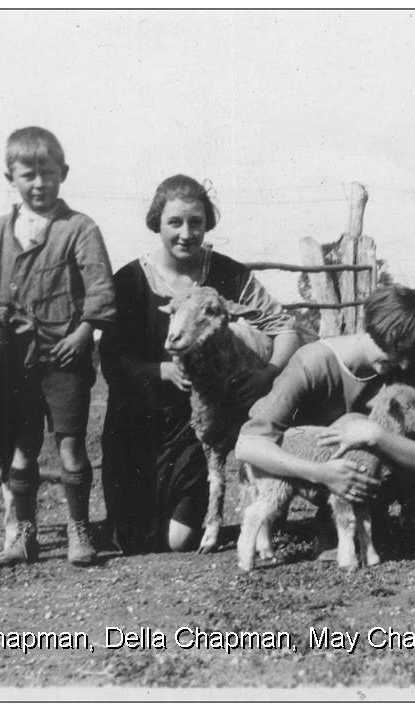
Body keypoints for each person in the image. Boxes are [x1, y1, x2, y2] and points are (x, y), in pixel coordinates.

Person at [98, 174, 301, 554]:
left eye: (196, 222)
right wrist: (159, 370)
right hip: (139, 420)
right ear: (156, 223)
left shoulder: (229, 275)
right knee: (134, 542)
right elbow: (111, 356)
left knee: (178, 541)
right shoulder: (129, 281)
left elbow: (285, 327)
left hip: (200, 421)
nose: (187, 233)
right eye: (175, 222)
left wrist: (268, 374)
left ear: (208, 223)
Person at [0, 126, 116, 567]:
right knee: (22, 448)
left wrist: (82, 335)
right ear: (10, 176)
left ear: (63, 173)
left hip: (64, 358)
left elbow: (100, 290)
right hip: (14, 366)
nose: (39, 183)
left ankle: (78, 530)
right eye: (28, 174)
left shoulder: (79, 229)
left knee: (70, 445)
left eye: (48, 173)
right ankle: (24, 534)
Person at [234, 285, 415, 522]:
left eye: (414, 356)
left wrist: (375, 434)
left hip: (371, 486)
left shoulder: (407, 378)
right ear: (378, 329)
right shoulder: (313, 363)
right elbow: (248, 445)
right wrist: (321, 474)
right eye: (399, 351)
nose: (406, 364)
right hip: (310, 478)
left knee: (358, 424)